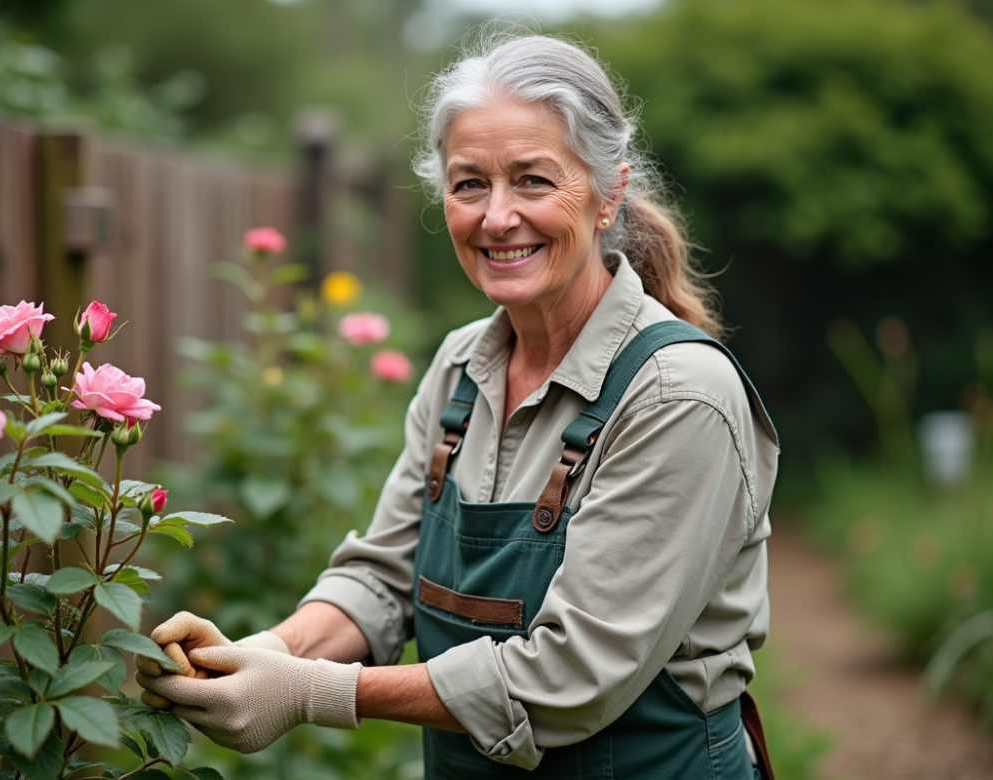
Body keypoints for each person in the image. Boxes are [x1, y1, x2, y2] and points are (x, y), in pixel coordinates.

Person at [137, 31, 779, 780]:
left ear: (609, 197)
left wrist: (313, 692)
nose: (497, 217)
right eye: (470, 183)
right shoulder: (459, 368)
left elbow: (571, 676)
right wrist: (267, 654)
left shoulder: (678, 396)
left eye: (533, 181)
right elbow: (382, 577)